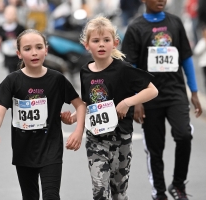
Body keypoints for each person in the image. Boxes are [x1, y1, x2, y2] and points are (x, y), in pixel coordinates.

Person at [62, 15, 158, 200]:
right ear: (86, 45)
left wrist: (127, 102)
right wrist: (74, 117)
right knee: (99, 190)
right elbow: (88, 104)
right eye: (96, 40)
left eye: (106, 40)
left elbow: (152, 91)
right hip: (96, 139)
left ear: (115, 43)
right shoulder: (85, 72)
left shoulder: (124, 69)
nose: (101, 44)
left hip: (121, 139)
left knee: (119, 193)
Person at [0, 29, 86, 200]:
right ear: (18, 53)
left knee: (51, 196)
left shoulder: (57, 79)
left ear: (46, 50)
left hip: (51, 149)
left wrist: (77, 129)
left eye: (39, 47)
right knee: (30, 197)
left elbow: (80, 106)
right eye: (27, 49)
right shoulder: (13, 81)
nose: (34, 52)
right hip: (23, 150)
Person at [121, 0, 203, 199]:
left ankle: (178, 184)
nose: (161, 0)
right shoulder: (135, 27)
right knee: (155, 148)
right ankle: (158, 192)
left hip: (175, 93)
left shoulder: (175, 23)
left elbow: (186, 57)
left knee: (184, 134)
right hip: (149, 96)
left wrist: (193, 91)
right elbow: (130, 66)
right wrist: (136, 99)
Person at [0, 5, 25, 73]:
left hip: (17, 54)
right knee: (10, 71)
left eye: (12, 14)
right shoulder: (1, 28)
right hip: (7, 53)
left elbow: (24, 38)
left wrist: (18, 42)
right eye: (8, 14)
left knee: (19, 70)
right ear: (4, 14)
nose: (10, 16)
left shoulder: (20, 27)